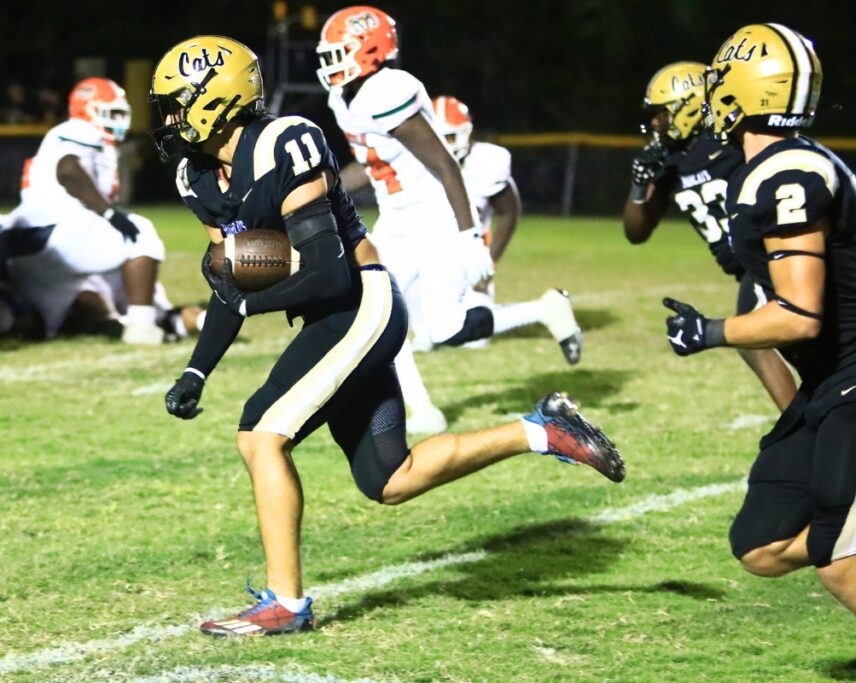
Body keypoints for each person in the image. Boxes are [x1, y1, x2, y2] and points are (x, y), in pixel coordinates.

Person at [152, 35, 625, 637]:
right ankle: (543, 430)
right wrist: (196, 371)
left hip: (361, 302)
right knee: (390, 478)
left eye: (174, 103)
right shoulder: (197, 177)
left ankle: (285, 603)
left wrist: (247, 296)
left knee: (261, 435)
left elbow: (325, 271)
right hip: (331, 315)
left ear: (215, 100)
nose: (165, 119)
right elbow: (228, 286)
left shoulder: (285, 142)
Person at [665, 24, 856, 681]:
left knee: (843, 566)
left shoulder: (789, 173)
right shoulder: (773, 167)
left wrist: (712, 331)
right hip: (830, 384)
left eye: (724, 81)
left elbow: (801, 315)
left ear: (744, 91)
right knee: (759, 544)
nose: (715, 94)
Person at [316, 6, 583, 434]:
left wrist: (468, 236)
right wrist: (321, 186)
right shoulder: (343, 97)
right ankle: (423, 412)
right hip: (397, 217)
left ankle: (545, 309)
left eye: (339, 51)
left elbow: (444, 165)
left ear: (369, 49)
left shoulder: (387, 90)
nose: (330, 63)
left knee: (446, 329)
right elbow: (371, 164)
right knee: (377, 309)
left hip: (434, 217)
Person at [622, 61, 797, 412]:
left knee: (753, 336)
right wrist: (640, 187)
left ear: (688, 105)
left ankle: (800, 426)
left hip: (768, 252)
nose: (656, 123)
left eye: (662, 113)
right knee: (797, 339)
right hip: (745, 265)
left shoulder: (733, 139)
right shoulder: (671, 160)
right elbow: (636, 232)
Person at [1, 78, 175, 343]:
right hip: (57, 237)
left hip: (27, 244)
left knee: (42, 321)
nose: (119, 120)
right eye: (112, 113)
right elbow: (68, 170)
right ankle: (142, 325)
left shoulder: (68, 139)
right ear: (87, 110)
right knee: (140, 232)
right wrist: (109, 214)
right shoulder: (80, 130)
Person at [430, 94, 523, 339]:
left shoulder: (487, 162)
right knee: (425, 334)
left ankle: (541, 311)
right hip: (427, 256)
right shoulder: (413, 161)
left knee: (472, 337)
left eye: (449, 136)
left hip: (470, 258)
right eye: (437, 138)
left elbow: (509, 212)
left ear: (465, 132)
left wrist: (489, 264)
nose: (444, 146)